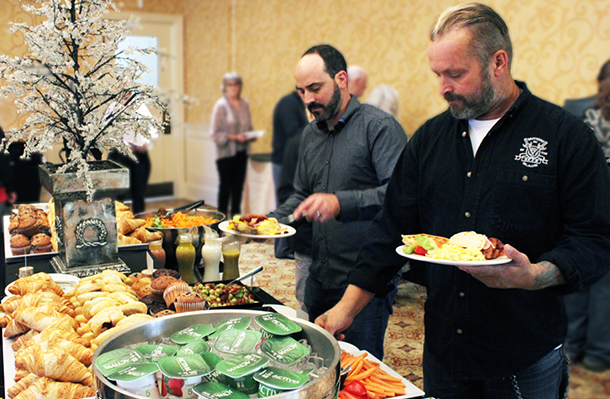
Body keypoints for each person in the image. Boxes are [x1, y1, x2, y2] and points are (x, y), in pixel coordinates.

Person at [316, 3, 610, 398]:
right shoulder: (429, 139)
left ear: (498, 62)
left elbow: (594, 240)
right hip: (445, 351)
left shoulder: (564, 137)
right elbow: (391, 232)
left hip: (525, 354)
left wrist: (535, 275)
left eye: (455, 74)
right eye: (437, 74)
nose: (443, 87)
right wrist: (344, 311)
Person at [269, 44, 408, 359]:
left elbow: (399, 196)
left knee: (359, 370)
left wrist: (340, 202)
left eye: (315, 88)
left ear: (342, 79)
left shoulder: (380, 128)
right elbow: (302, 195)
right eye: (301, 91)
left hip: (363, 285)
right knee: (318, 363)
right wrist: (268, 222)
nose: (307, 99)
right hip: (319, 275)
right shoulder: (311, 134)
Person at [563, 76, 610, 372]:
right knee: (606, 287)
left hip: (581, 204)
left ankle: (571, 346)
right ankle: (598, 354)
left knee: (576, 277)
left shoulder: (575, 109)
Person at [276, 129, 312, 312]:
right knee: (305, 298)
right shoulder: (299, 140)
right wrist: (270, 222)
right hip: (306, 239)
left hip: (345, 248)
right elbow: (290, 192)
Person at [211, 72, 256, 217]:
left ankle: (236, 223)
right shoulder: (220, 106)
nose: (233, 87)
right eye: (230, 84)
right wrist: (234, 137)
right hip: (226, 154)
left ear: (240, 86)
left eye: (236, 84)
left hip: (242, 153)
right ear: (225, 87)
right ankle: (220, 222)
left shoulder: (245, 104)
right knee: (226, 189)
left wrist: (251, 135)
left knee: (238, 190)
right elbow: (215, 134)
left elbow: (248, 127)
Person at [271, 90, 309, 259]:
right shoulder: (288, 104)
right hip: (285, 159)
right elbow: (293, 132)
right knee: (286, 202)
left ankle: (286, 247)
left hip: (295, 156)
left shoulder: (299, 104)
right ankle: (282, 249)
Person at [108, 98, 157, 215]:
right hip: (120, 156)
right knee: (118, 195)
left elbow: (153, 130)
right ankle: (119, 224)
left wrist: (146, 144)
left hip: (140, 157)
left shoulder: (141, 106)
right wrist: (126, 145)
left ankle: (138, 225)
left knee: (139, 195)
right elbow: (107, 132)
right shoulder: (113, 107)